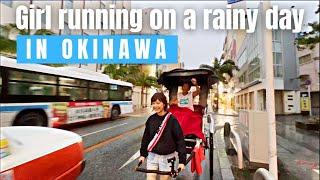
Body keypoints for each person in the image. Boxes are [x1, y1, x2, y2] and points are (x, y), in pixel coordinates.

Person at [139, 92, 186, 180]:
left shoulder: (172, 120)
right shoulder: (151, 119)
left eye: (158, 103)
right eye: (153, 103)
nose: (155, 106)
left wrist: (182, 161)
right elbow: (146, 138)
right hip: (152, 156)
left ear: (164, 104)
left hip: (167, 158)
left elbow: (180, 140)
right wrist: (143, 154)